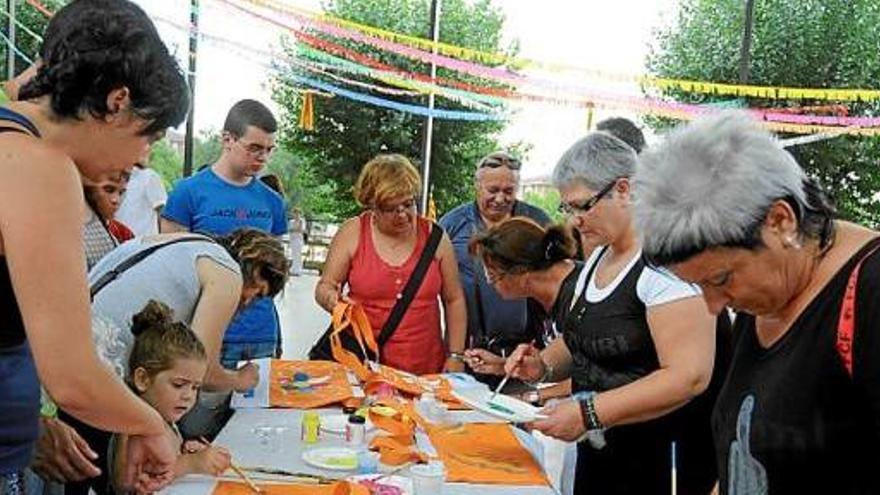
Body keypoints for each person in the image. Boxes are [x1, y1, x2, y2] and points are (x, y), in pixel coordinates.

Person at [633, 112, 880, 494]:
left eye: (720, 279)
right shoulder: (766, 297)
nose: (714, 306)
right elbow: (745, 452)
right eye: (699, 286)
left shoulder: (868, 295)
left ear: (780, 221)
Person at [0, 0, 189, 492]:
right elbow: (72, 377)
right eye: (149, 135)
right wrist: (152, 425)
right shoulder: (36, 164)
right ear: (117, 101)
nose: (143, 158)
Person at [503, 131, 720, 494]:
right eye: (568, 208)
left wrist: (589, 412)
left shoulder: (664, 262)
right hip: (600, 452)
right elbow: (586, 335)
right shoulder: (600, 256)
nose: (574, 220)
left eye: (582, 206)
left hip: (656, 460)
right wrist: (541, 365)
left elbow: (688, 375)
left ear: (623, 189)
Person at [34, 229, 286, 494]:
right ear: (250, 263)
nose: (247, 300)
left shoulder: (182, 243)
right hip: (99, 373)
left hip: (57, 358)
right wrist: (239, 380)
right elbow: (204, 370)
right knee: (102, 471)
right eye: (256, 290)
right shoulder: (227, 273)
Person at [161, 99, 287, 369]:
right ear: (227, 139)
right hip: (203, 334)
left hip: (261, 333)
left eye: (268, 150)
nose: (262, 158)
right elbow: (172, 272)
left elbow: (275, 272)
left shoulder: (273, 201)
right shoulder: (187, 193)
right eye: (254, 148)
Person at [315, 154, 467, 375]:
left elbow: (454, 299)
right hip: (363, 366)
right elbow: (325, 285)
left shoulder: (435, 237)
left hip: (424, 368)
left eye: (408, 204)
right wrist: (331, 299)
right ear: (372, 205)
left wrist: (455, 356)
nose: (402, 214)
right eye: (390, 208)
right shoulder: (353, 232)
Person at [438, 151, 551, 385]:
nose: (500, 199)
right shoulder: (453, 224)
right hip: (468, 352)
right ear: (477, 186)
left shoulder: (536, 221)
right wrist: (454, 354)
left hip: (523, 351)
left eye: (508, 191)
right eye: (493, 190)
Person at [111, 300, 231, 492]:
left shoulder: (165, 416)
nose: (188, 396)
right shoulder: (134, 424)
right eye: (179, 385)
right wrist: (190, 463)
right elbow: (128, 483)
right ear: (143, 379)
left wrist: (184, 449)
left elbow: (164, 460)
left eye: (195, 387)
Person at [116, 162, 167, 237]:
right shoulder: (111, 178)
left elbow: (162, 212)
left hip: (144, 243)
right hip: (119, 241)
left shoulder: (148, 176)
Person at [84, 171, 134, 244]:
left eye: (121, 193)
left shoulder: (124, 234)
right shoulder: (73, 229)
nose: (116, 200)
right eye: (108, 190)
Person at [288, 208, 306, 276]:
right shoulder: (291, 221)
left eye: (298, 213)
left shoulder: (302, 221)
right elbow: (290, 229)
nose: (296, 215)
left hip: (299, 239)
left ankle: (298, 270)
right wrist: (295, 229)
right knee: (293, 254)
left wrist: (295, 229)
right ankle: (293, 269)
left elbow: (301, 230)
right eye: (295, 213)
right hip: (292, 239)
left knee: (298, 254)